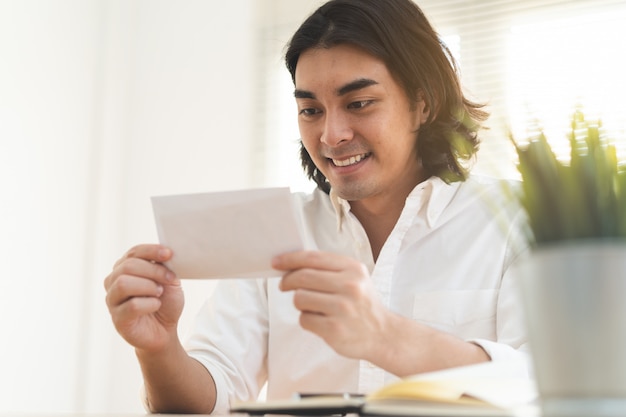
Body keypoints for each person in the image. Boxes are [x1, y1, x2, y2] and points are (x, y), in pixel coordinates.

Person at [104, 0, 529, 414]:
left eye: (359, 103)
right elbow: (214, 397)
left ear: (423, 103)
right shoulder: (272, 231)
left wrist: (384, 336)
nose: (331, 134)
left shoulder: (516, 219)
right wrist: (158, 348)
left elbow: (546, 389)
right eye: (310, 110)